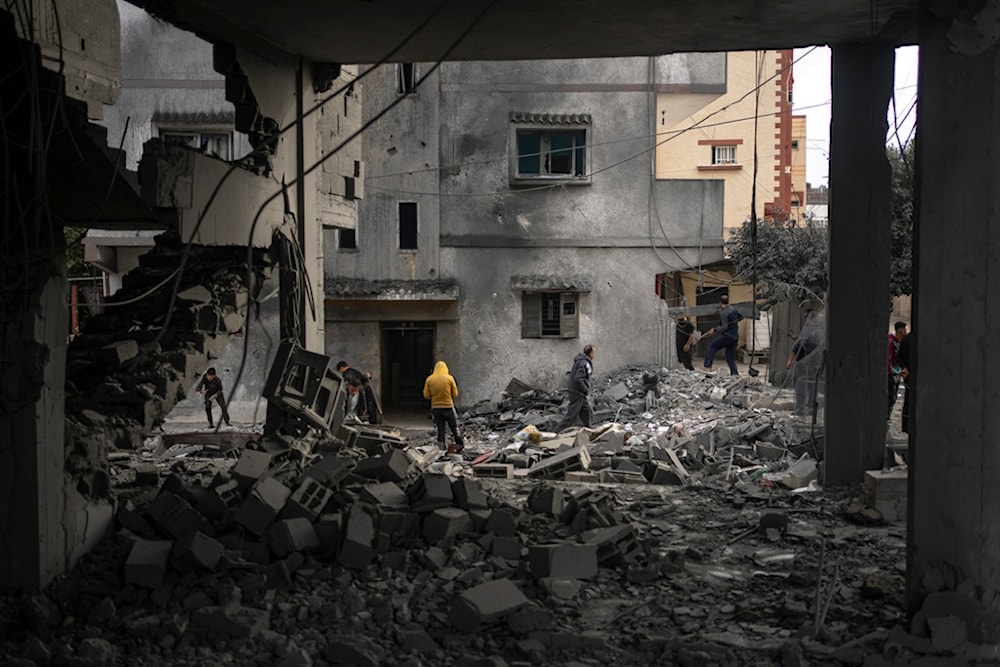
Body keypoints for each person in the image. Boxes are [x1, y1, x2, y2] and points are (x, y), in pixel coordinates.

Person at [423, 360, 465, 455]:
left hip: (436, 408)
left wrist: (434, 397)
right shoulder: (449, 378)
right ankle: (460, 445)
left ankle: (441, 447)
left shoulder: (429, 379)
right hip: (448, 407)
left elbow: (426, 395)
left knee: (440, 428)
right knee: (454, 427)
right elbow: (455, 393)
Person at [785, 309, 823, 417]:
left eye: (805, 318)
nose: (805, 320)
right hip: (816, 363)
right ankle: (811, 408)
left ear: (808, 318)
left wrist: (790, 360)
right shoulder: (819, 329)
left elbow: (797, 346)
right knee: (812, 386)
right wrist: (797, 338)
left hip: (804, 363)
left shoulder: (807, 329)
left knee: (800, 385)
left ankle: (800, 409)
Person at [553, 344, 596, 432]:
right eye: (594, 352)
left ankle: (589, 430)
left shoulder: (580, 361)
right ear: (590, 353)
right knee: (570, 417)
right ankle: (554, 433)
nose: (594, 355)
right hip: (578, 393)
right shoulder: (584, 363)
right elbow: (578, 379)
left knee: (587, 411)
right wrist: (584, 389)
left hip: (579, 393)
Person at [700, 294, 743, 376]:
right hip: (735, 336)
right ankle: (735, 374)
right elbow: (741, 317)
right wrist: (733, 322)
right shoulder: (733, 309)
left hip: (728, 335)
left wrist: (715, 329)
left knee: (712, 347)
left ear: (720, 302)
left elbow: (724, 327)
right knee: (730, 356)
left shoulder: (723, 312)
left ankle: (707, 366)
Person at [887, 321, 908, 418]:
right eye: (904, 330)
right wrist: (893, 371)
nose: (906, 332)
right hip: (891, 373)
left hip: (896, 372)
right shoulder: (892, 341)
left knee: (893, 396)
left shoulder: (900, 342)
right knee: (891, 397)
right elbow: (889, 359)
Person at [898, 328, 912, 434]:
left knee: (908, 400)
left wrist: (904, 368)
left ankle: (906, 426)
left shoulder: (906, 339)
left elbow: (899, 357)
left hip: (908, 376)